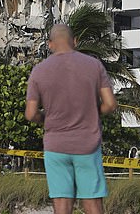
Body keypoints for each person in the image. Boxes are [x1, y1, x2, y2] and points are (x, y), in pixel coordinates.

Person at [25, 24, 117, 214]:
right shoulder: (94, 65)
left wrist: (47, 119)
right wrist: (91, 112)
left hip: (56, 146)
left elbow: (31, 113)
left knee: (62, 205)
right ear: (75, 41)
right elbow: (110, 104)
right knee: (93, 203)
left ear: (50, 44)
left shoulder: (39, 71)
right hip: (87, 145)